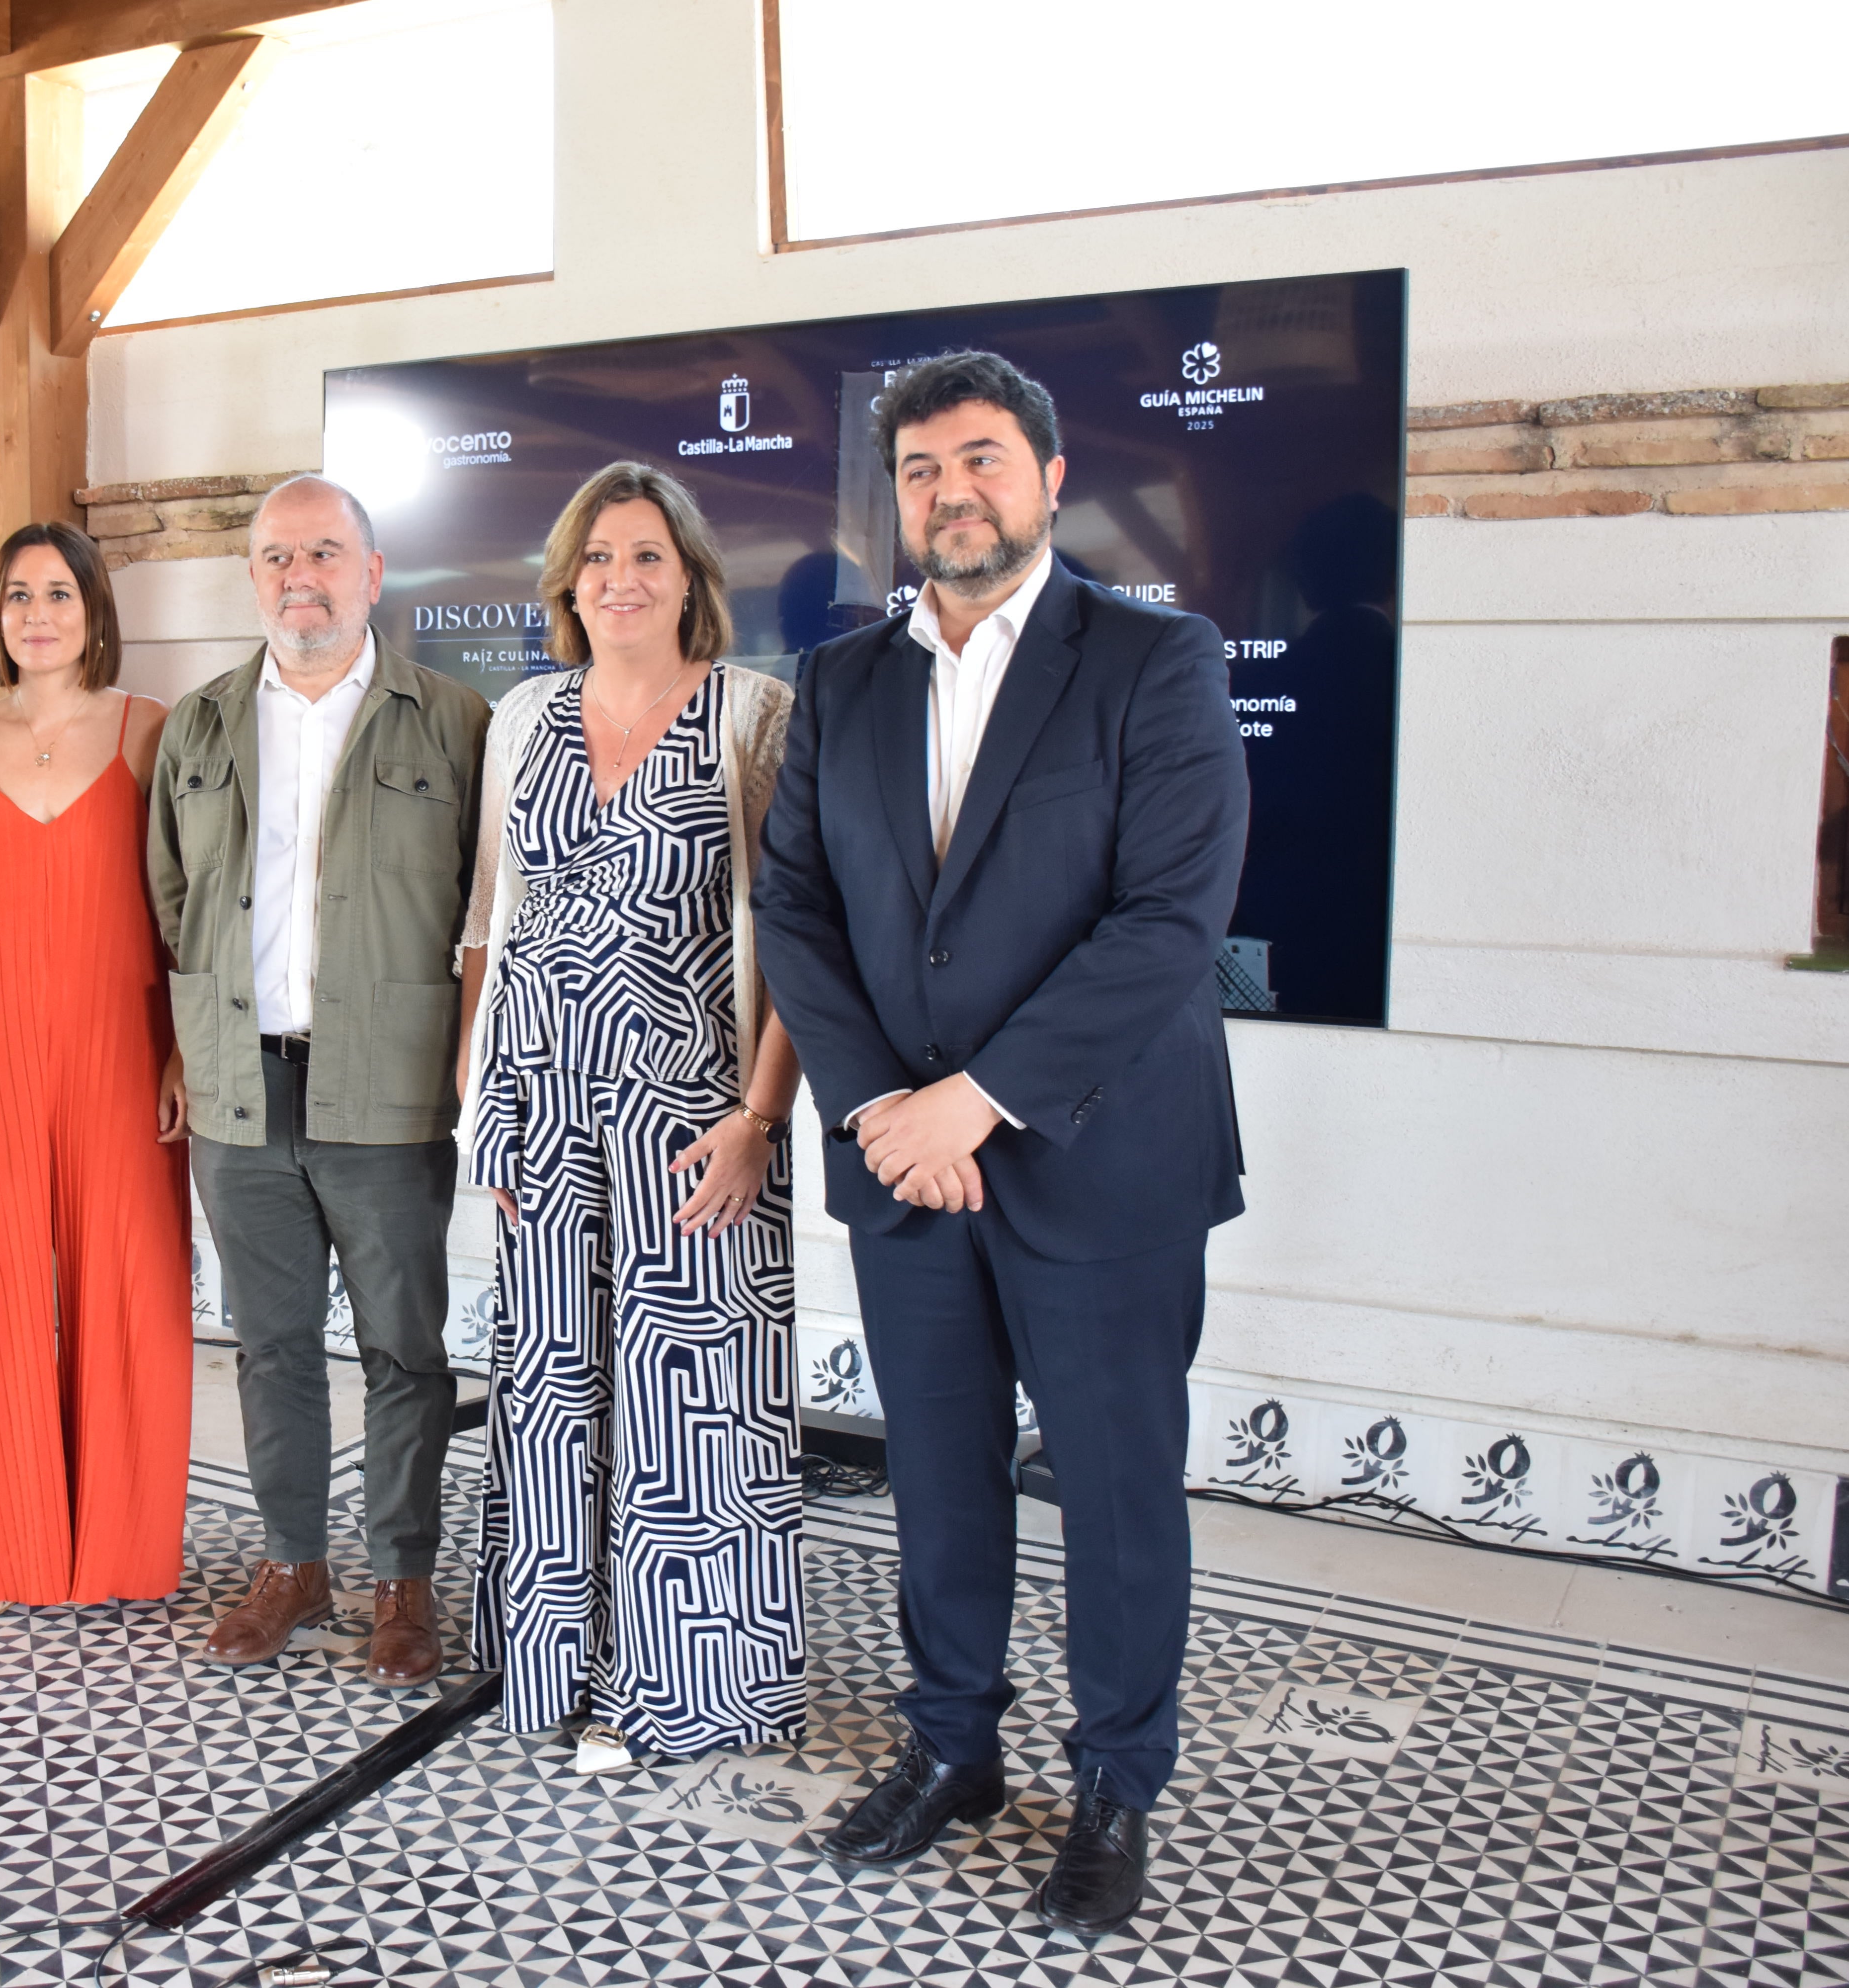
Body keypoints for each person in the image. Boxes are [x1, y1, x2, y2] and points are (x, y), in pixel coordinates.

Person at [752, 351, 1250, 1937]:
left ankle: (1116, 1785)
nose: (948, 491)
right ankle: (952, 1745)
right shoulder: (842, 685)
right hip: (907, 1166)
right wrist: (886, 1109)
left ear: (1045, 474)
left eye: (978, 459)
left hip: (1097, 1159)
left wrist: (980, 1099)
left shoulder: (1154, 662)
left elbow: (1170, 919)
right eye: (917, 470)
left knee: (1113, 1493)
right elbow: (798, 913)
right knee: (940, 1488)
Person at [455, 463, 804, 1770]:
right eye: (596, 557)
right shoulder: (524, 718)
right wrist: (480, 1109)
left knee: (684, 1408)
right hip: (541, 1110)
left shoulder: (751, 718)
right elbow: (493, 924)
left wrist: (761, 1119)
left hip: (691, 1122)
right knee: (548, 1392)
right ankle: (544, 1668)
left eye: (647, 555)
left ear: (691, 577)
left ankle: (678, 1694)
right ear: (566, 584)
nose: (620, 579)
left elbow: (799, 941)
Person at [148, 474, 492, 1687]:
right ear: (254, 578)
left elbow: (482, 913)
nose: (303, 578)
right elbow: (172, 905)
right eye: (279, 557)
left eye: (327, 554)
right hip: (241, 1086)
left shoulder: (455, 721)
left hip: (388, 1089)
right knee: (271, 1341)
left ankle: (404, 1576)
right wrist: (186, 1049)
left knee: (405, 1347)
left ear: (373, 572)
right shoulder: (197, 726)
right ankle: (293, 1561)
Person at [0, 522, 192, 1613]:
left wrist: (180, 1051)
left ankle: (121, 1543)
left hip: (122, 1045)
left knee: (130, 1282)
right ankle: (2, 1539)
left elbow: (185, 909)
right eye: (18, 595)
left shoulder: (150, 730)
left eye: (59, 593)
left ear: (94, 611)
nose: (38, 614)